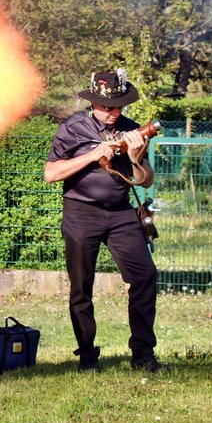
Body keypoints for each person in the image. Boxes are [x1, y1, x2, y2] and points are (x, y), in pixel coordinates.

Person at [44, 69, 160, 373]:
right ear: (93, 102)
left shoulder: (132, 129)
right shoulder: (73, 128)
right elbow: (51, 174)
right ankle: (87, 357)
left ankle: (143, 354)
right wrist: (93, 154)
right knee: (81, 286)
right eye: (107, 106)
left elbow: (146, 180)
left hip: (121, 214)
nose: (113, 112)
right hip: (81, 213)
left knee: (145, 276)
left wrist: (135, 157)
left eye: (118, 106)